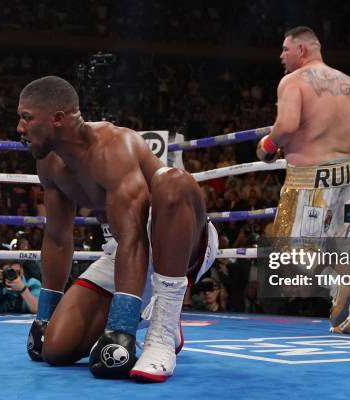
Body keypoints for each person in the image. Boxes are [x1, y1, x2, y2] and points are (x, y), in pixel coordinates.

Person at [17, 76, 217, 382]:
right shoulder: (49, 164)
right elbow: (57, 239)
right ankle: (152, 306)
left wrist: (121, 328)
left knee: (170, 180)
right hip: (124, 250)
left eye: (26, 118)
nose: (20, 128)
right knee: (56, 349)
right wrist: (44, 314)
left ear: (57, 119)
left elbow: (135, 238)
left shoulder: (113, 147)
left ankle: (162, 333)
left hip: (181, 239)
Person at [256, 26, 350, 334]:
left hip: (310, 179)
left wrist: (267, 146)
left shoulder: (293, 82)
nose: (281, 55)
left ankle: (339, 285)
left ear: (302, 50)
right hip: (347, 175)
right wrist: (340, 146)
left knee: (289, 249)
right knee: (342, 247)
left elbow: (286, 125)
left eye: (285, 49)